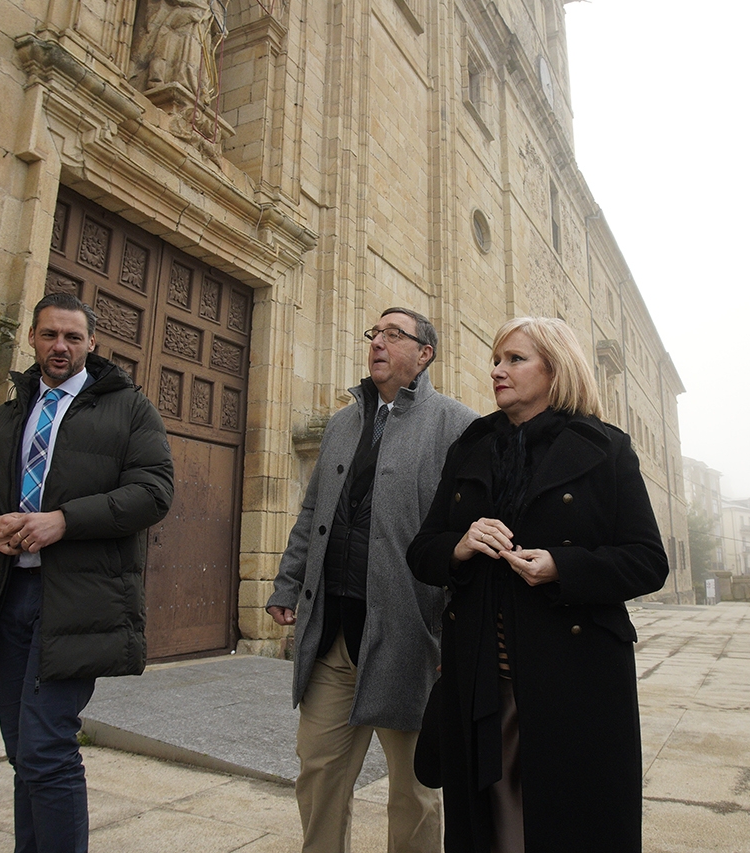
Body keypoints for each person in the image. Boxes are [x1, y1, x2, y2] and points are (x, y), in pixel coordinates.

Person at [406, 317, 669, 853]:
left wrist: (562, 568)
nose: (498, 371)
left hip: (574, 681)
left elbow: (647, 561)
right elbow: (423, 549)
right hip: (481, 677)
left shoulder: (606, 448)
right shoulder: (472, 445)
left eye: (515, 359)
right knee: (490, 824)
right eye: (496, 361)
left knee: (570, 822)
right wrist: (459, 544)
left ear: (556, 369)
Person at [0, 291, 175, 853]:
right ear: (32, 338)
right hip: (10, 598)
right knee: (20, 748)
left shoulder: (130, 409)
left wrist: (63, 522)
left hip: (81, 602)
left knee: (46, 748)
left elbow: (154, 493)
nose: (60, 346)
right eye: (50, 335)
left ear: (91, 343)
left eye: (73, 337)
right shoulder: (6, 417)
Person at [268, 307, 477, 853]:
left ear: (424, 353)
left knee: (415, 790)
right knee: (318, 774)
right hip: (334, 635)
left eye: (393, 334)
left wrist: (457, 636)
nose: (378, 342)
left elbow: (468, 539)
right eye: (373, 333)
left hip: (411, 641)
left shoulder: (457, 427)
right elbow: (312, 515)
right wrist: (288, 585)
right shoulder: (343, 422)